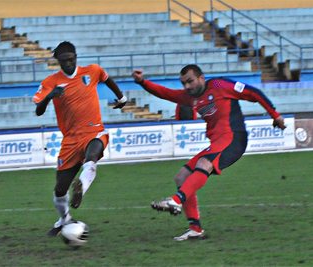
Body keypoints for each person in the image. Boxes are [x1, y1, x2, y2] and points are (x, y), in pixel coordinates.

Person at [132, 64, 286, 241]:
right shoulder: (191, 97)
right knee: (181, 177)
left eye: (190, 81)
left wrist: (275, 115)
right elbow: (166, 93)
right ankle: (195, 229)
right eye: (184, 83)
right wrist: (142, 82)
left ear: (201, 78)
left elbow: (254, 92)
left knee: (204, 163)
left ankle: (176, 200)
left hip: (233, 138)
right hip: (217, 143)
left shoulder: (219, 86)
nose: (187, 87)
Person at [33, 41, 127, 236]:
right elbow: (38, 111)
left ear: (76, 56)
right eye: (64, 61)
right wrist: (50, 96)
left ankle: (82, 187)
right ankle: (64, 219)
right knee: (60, 190)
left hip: (93, 131)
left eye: (71, 59)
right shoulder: (51, 82)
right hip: (70, 140)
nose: (68, 63)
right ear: (57, 61)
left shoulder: (92, 71)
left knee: (93, 154)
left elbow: (106, 78)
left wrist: (122, 98)